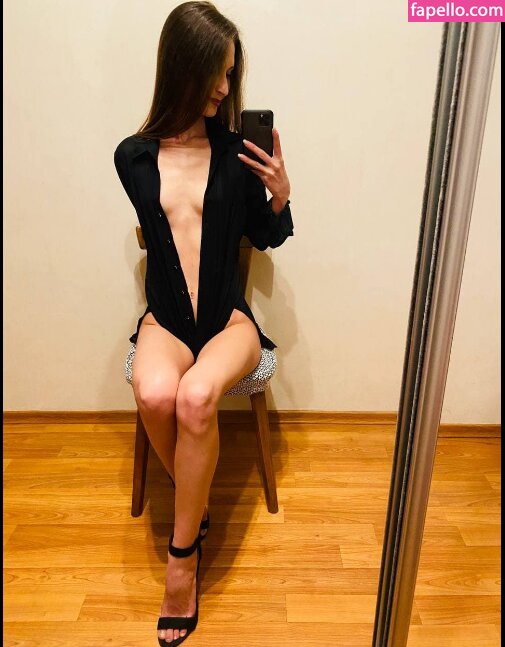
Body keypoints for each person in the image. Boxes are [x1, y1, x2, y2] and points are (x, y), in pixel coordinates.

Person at [113, 2, 293, 644]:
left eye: (230, 72)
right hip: (166, 319)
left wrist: (278, 195)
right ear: (182, 68)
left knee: (194, 397)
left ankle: (182, 559)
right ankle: (200, 499)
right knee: (154, 391)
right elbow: (163, 239)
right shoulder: (133, 158)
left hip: (227, 320)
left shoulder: (237, 152)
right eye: (216, 71)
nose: (224, 86)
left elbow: (264, 235)